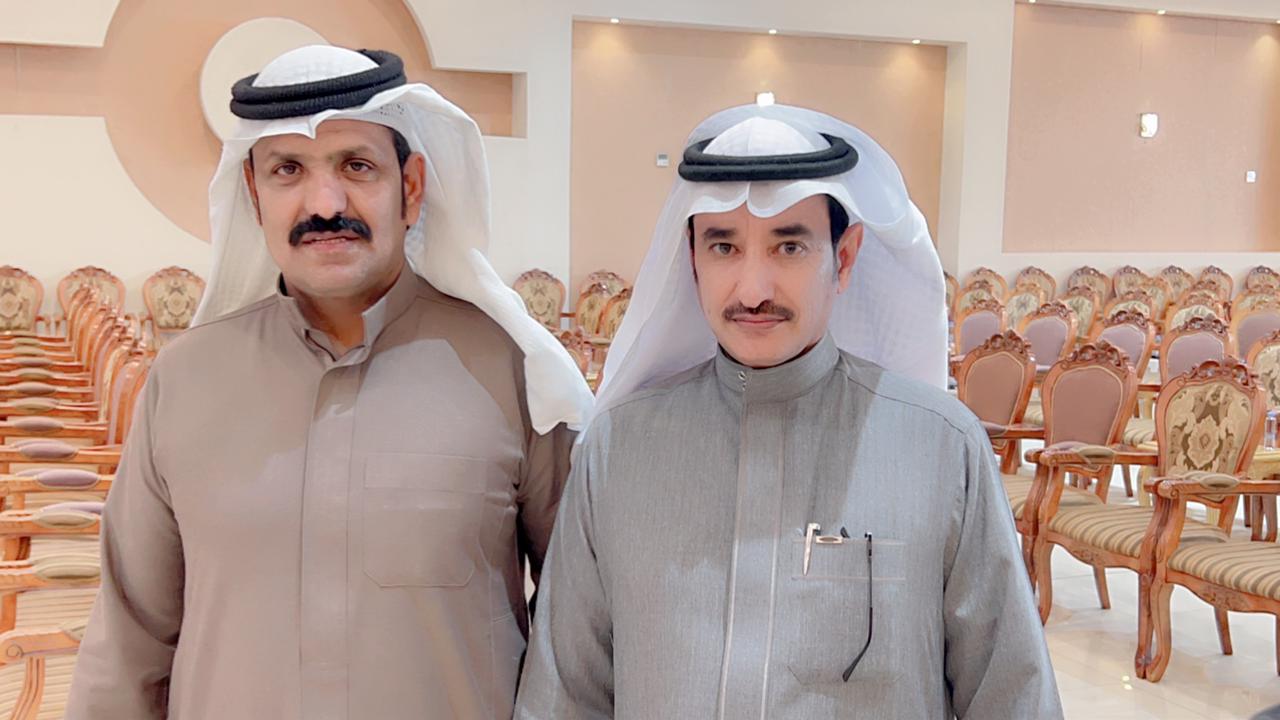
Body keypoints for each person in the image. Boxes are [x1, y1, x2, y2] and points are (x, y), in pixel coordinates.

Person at [66, 46, 592, 720]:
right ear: (254, 195)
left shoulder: (516, 376)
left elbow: (579, 634)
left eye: (356, 166)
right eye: (288, 170)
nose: (324, 204)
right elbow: (128, 643)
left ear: (411, 188)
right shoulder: (184, 381)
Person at [515, 104, 1062, 719]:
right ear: (692, 259)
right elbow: (565, 695)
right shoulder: (618, 449)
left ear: (844, 257)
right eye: (724, 246)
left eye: (790, 246)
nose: (753, 290)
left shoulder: (941, 448)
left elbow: (1013, 697)